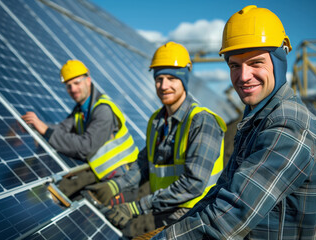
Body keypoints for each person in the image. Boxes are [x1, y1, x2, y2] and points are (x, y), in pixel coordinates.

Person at [151, 5, 316, 239]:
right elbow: (221, 193)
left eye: (256, 62)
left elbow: (229, 216)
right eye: (234, 65)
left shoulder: (289, 126)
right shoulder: (257, 119)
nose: (243, 76)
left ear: (279, 61)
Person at [85, 42, 227, 230]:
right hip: (163, 205)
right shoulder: (157, 121)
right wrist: (115, 186)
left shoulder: (201, 121)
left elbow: (193, 185)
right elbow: (144, 164)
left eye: (171, 78)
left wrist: (137, 207)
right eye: (159, 79)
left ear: (184, 80)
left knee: (127, 231)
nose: (164, 85)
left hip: (194, 213)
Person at [22, 60, 138, 198]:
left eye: (77, 83)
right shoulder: (81, 110)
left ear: (88, 80)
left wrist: (46, 131)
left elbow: (86, 146)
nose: (73, 89)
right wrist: (37, 124)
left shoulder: (103, 110)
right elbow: (63, 129)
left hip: (124, 180)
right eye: (68, 86)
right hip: (105, 177)